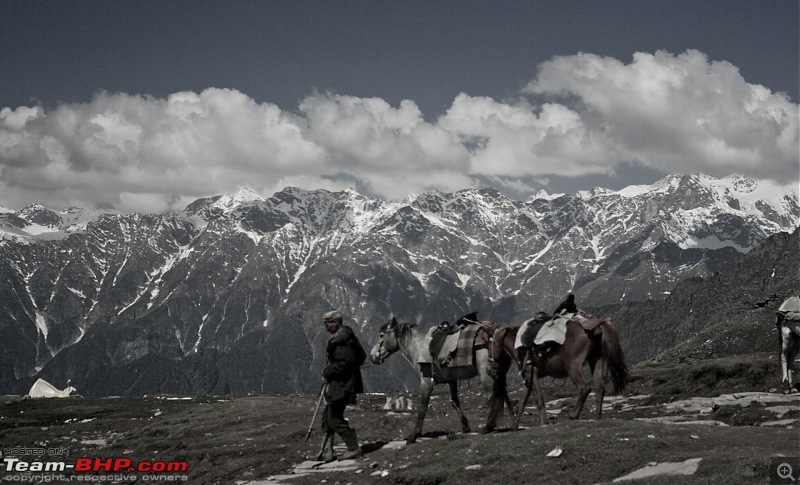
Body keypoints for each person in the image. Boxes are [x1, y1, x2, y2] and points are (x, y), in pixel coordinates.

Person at [316, 310, 366, 462]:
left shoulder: (342, 343)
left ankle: (353, 447)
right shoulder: (346, 338)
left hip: (343, 384)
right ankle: (327, 451)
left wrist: (327, 372)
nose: (326, 327)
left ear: (336, 323)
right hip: (342, 382)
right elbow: (361, 356)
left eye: (328, 324)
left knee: (334, 418)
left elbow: (343, 364)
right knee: (327, 417)